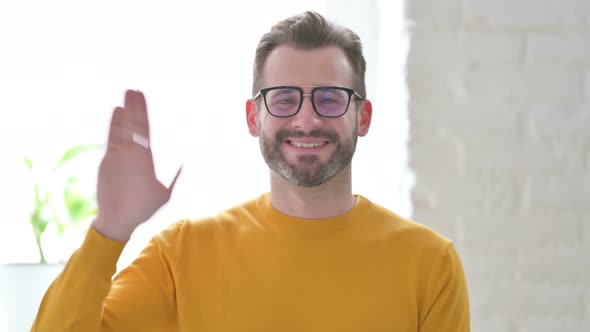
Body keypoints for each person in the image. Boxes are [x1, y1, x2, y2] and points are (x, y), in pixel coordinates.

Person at [32, 11, 470, 331]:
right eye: (283, 99)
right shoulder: (182, 255)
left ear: (364, 116)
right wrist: (110, 228)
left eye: (330, 99)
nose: (306, 120)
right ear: (253, 117)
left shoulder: (430, 264)